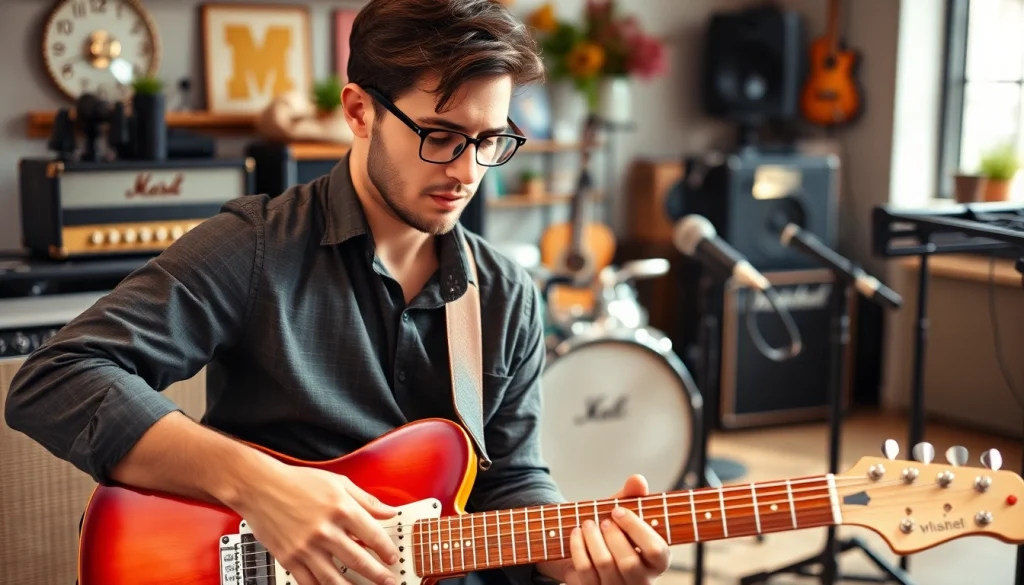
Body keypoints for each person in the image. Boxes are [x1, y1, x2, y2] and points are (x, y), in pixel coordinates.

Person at [5, 1, 673, 585]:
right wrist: (263, 488)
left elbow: (509, 479)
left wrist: (574, 558)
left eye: (490, 140)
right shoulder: (254, 246)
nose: (468, 171)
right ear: (360, 111)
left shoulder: (507, 294)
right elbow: (56, 377)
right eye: (439, 136)